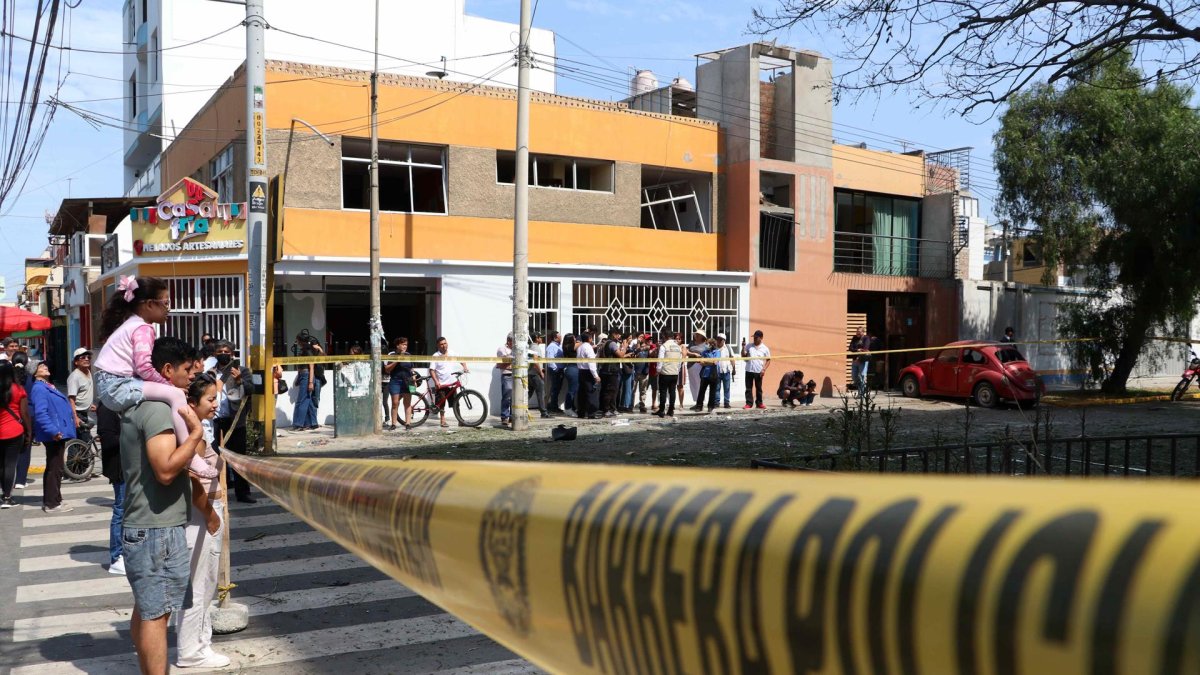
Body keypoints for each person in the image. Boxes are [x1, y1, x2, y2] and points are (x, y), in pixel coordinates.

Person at [120, 336, 206, 675]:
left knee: (146, 610)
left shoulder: (142, 404)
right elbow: (167, 469)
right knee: (157, 615)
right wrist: (197, 434)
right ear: (167, 370)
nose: (191, 376)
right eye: (186, 370)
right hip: (156, 530)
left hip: (149, 525)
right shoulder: (157, 410)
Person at [93, 275, 215, 480]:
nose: (169, 308)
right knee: (175, 395)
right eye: (165, 303)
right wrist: (167, 385)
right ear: (149, 304)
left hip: (111, 384)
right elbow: (143, 366)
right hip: (117, 385)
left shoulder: (131, 323)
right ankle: (191, 457)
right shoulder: (143, 328)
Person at [175, 373, 231, 669]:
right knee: (200, 586)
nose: (215, 404)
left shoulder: (195, 431)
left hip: (205, 513)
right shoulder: (191, 436)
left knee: (204, 585)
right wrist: (210, 515)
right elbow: (192, 479)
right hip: (201, 515)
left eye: (216, 398)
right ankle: (191, 651)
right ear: (192, 403)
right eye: (210, 399)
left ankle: (200, 644)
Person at [211, 341, 254, 504]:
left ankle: (243, 492)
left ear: (231, 353)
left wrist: (239, 381)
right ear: (215, 354)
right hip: (215, 419)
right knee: (214, 456)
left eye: (226, 351)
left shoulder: (242, 370)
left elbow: (251, 390)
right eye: (220, 351)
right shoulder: (211, 371)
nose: (223, 353)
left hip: (235, 420)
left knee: (238, 457)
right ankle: (217, 492)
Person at [29, 362, 76, 513]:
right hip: (54, 434)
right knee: (54, 467)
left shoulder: (47, 385)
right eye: (41, 367)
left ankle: (56, 498)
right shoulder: (39, 388)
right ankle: (51, 503)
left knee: (56, 467)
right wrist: (53, 431)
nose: (45, 367)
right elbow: (41, 413)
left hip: (58, 431)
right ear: (34, 373)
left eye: (45, 366)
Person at [97, 403, 125, 573]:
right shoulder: (107, 408)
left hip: (127, 467)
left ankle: (124, 552)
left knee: (126, 511)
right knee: (121, 511)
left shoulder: (121, 406)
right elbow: (107, 440)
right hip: (119, 468)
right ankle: (116, 556)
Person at [0, 361, 30, 509]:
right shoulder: (18, 389)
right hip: (14, 430)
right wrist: (29, 432)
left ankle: (3, 492)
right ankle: (7, 497)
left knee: (1, 465)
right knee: (10, 464)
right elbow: (24, 413)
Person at [430, 337, 469, 428]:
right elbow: (432, 370)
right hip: (442, 384)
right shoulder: (435, 356)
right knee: (441, 403)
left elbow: (461, 359)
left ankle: (460, 420)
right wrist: (436, 382)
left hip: (452, 383)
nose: (444, 346)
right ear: (438, 346)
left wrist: (465, 367)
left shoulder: (452, 353)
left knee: (456, 402)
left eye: (445, 343)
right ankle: (442, 421)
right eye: (441, 344)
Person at [290, 332, 326, 431]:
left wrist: (310, 382)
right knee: (308, 400)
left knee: (302, 400)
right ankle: (312, 423)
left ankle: (299, 424)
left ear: (300, 340)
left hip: (306, 375)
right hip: (303, 375)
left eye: (297, 340)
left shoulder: (308, 349)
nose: (296, 342)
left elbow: (311, 366)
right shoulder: (304, 350)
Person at [10, 352, 32, 490]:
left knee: (9, 451)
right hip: (28, 416)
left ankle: (7, 481)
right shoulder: (30, 379)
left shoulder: (7, 378)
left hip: (10, 418)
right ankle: (20, 480)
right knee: (25, 449)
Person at [385, 337, 416, 430]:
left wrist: (414, 379)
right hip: (396, 380)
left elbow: (411, 368)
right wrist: (398, 359)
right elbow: (387, 369)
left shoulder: (408, 355)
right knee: (395, 402)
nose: (404, 346)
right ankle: (393, 424)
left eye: (406, 344)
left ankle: (408, 423)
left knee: (407, 402)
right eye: (403, 344)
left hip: (408, 380)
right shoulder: (391, 354)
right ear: (397, 345)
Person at [67, 347, 97, 439]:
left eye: (88, 357)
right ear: (76, 362)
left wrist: (90, 404)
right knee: (83, 442)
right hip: (78, 413)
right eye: (83, 357)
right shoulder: (75, 377)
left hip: (85, 413)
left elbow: (84, 391)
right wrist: (75, 417)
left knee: (81, 443)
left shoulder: (88, 371)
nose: (87, 359)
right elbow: (71, 399)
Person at [597, 327, 625, 417]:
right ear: (614, 334)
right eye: (618, 334)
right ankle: (606, 410)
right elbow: (620, 355)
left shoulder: (604, 342)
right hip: (611, 371)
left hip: (604, 370)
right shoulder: (612, 344)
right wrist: (624, 347)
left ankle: (607, 409)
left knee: (606, 390)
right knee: (610, 391)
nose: (619, 336)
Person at [656, 331, 684, 417]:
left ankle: (662, 410)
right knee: (672, 391)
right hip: (674, 372)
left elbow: (660, 360)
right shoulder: (678, 347)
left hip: (665, 372)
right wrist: (677, 369)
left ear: (665, 336)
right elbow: (680, 361)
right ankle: (671, 410)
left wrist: (658, 370)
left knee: (663, 392)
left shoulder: (663, 346)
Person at [575, 332, 601, 419]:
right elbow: (591, 363)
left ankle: (581, 412)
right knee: (591, 392)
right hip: (588, 372)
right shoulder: (588, 347)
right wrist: (596, 375)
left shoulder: (580, 347)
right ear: (589, 338)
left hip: (581, 371)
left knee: (582, 393)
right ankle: (591, 413)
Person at [744, 330, 771, 409]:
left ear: (761, 338)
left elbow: (768, 360)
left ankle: (759, 403)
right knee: (748, 388)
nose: (754, 339)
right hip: (749, 370)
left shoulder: (765, 348)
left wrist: (764, 369)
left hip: (758, 371)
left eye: (756, 337)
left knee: (758, 388)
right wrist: (743, 348)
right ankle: (749, 403)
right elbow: (743, 355)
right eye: (754, 337)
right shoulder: (749, 346)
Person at [693, 339, 722, 413]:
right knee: (701, 391)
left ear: (712, 344)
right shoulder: (704, 352)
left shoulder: (717, 352)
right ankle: (699, 406)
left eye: (707, 344)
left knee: (712, 392)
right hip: (705, 374)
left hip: (713, 374)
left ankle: (710, 407)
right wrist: (709, 362)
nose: (706, 345)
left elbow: (715, 362)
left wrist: (706, 361)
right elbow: (701, 363)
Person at [633, 334, 656, 414]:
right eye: (647, 339)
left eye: (650, 339)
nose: (649, 341)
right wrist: (638, 343)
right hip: (636, 371)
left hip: (644, 372)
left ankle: (642, 405)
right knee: (633, 390)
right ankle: (630, 405)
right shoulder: (635, 346)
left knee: (643, 391)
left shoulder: (648, 347)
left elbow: (651, 351)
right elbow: (636, 352)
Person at [528, 333, 549, 419]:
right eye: (540, 337)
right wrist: (541, 372)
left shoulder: (532, 346)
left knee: (529, 393)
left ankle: (520, 408)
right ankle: (544, 412)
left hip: (532, 373)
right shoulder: (535, 347)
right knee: (541, 393)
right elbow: (535, 361)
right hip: (535, 373)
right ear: (537, 338)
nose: (542, 339)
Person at [496, 334, 514, 427]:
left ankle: (512, 416)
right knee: (507, 397)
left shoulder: (516, 350)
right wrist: (512, 358)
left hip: (517, 374)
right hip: (507, 374)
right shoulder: (502, 349)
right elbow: (503, 362)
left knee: (515, 397)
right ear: (509, 341)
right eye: (513, 341)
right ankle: (504, 416)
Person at [715, 333, 736, 409]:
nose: (719, 341)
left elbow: (732, 358)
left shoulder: (728, 348)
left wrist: (734, 369)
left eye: (720, 339)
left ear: (724, 340)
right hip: (717, 371)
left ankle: (726, 403)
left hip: (726, 371)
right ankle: (717, 403)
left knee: (727, 388)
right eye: (718, 339)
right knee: (717, 388)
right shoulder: (714, 348)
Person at [686, 331, 707, 406]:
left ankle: (700, 402)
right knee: (693, 385)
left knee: (699, 384)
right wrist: (694, 354)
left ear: (702, 336)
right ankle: (696, 402)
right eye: (696, 335)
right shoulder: (691, 343)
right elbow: (686, 351)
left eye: (698, 335)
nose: (696, 336)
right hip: (690, 366)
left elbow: (707, 354)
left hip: (699, 366)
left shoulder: (705, 345)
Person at [544, 331, 564, 414]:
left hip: (559, 370)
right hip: (555, 371)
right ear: (555, 338)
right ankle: (552, 407)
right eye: (560, 337)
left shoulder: (558, 346)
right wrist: (556, 369)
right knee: (554, 389)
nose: (561, 338)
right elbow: (550, 359)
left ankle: (554, 405)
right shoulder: (551, 346)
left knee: (557, 389)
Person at [849, 327, 871, 397]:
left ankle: (861, 393)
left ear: (862, 332)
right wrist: (857, 350)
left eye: (859, 331)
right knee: (854, 376)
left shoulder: (866, 338)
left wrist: (860, 351)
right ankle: (862, 388)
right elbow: (850, 348)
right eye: (857, 331)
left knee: (862, 376)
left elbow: (866, 348)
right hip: (855, 360)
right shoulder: (854, 338)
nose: (857, 333)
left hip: (863, 360)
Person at [561, 334, 579, 414]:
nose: (575, 338)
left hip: (573, 368)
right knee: (572, 390)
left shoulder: (566, 346)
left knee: (574, 389)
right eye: (574, 337)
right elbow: (581, 343)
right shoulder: (569, 346)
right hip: (572, 368)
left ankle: (572, 407)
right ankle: (568, 408)